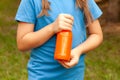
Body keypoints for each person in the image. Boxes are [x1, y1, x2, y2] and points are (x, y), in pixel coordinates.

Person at [15, 0, 103, 80]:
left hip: (74, 75)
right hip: (42, 74)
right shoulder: (31, 1)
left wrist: (78, 51)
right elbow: (22, 43)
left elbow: (96, 34)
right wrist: (52, 28)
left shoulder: (84, 1)